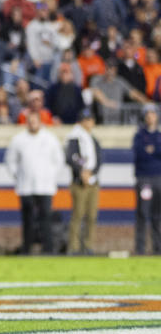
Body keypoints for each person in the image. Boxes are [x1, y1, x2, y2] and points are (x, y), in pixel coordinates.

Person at [5, 110, 65, 254]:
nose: (32, 124)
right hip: (25, 186)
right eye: (30, 121)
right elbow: (10, 160)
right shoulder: (19, 139)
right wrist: (17, 176)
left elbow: (59, 161)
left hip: (45, 186)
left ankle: (48, 249)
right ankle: (27, 249)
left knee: (46, 219)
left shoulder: (50, 139)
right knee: (28, 220)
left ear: (40, 122)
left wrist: (51, 177)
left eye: (35, 121)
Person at [65, 108, 102, 255]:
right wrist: (82, 171)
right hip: (79, 182)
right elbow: (72, 156)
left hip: (93, 181)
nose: (88, 122)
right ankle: (73, 247)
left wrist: (91, 172)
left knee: (92, 215)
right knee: (78, 214)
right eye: (85, 120)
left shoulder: (93, 139)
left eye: (90, 119)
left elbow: (98, 160)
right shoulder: (75, 138)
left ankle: (88, 245)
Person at [133, 106, 161, 255]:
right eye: (148, 114)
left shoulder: (158, 135)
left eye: (153, 114)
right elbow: (140, 154)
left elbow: (156, 151)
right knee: (143, 213)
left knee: (158, 215)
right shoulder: (139, 135)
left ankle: (158, 248)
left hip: (158, 178)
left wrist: (153, 150)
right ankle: (140, 248)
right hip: (144, 179)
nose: (150, 117)